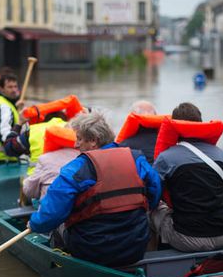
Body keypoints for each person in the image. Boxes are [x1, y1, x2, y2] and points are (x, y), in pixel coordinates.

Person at [27, 111, 161, 267]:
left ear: (93, 141)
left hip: (92, 251)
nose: (75, 145)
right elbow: (155, 191)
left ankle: (61, 268)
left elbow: (51, 214)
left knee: (58, 223)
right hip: (135, 246)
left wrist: (34, 224)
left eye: (79, 139)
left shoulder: (76, 169)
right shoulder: (136, 158)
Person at [151, 102, 223, 252]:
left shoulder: (166, 157)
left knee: (150, 210)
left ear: (175, 127)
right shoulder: (220, 155)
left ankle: (152, 259)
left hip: (186, 239)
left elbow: (152, 195)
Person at [21, 95, 84, 175]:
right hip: (66, 176)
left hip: (35, 175)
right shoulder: (75, 131)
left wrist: (19, 123)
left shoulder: (33, 129)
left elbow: (11, 148)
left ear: (45, 119)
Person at [22, 125, 78, 200]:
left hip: (51, 208)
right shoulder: (87, 157)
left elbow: (29, 190)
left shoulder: (45, 159)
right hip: (82, 209)